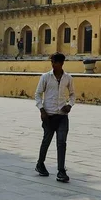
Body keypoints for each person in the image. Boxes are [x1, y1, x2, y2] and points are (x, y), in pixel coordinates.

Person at [35, 52, 75, 183]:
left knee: (61, 143)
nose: (53, 64)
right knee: (46, 141)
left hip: (62, 116)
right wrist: (42, 110)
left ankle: (61, 171)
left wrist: (70, 105)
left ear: (61, 63)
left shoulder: (68, 78)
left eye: (55, 62)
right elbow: (38, 94)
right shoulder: (46, 77)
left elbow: (73, 94)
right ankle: (40, 164)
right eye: (52, 62)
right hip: (49, 115)